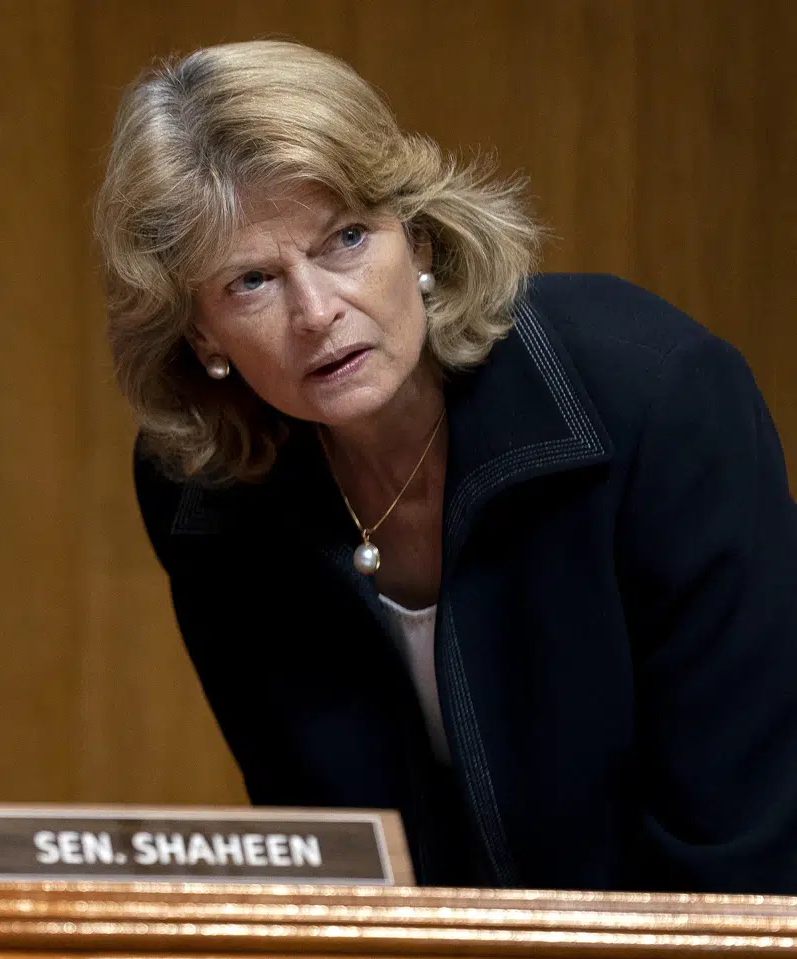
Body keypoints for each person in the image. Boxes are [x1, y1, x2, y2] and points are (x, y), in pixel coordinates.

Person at [94, 40, 797, 893]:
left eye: (346, 239)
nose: (318, 312)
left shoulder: (657, 394)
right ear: (201, 333)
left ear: (418, 243)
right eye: (251, 281)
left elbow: (745, 850)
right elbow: (330, 860)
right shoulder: (203, 494)